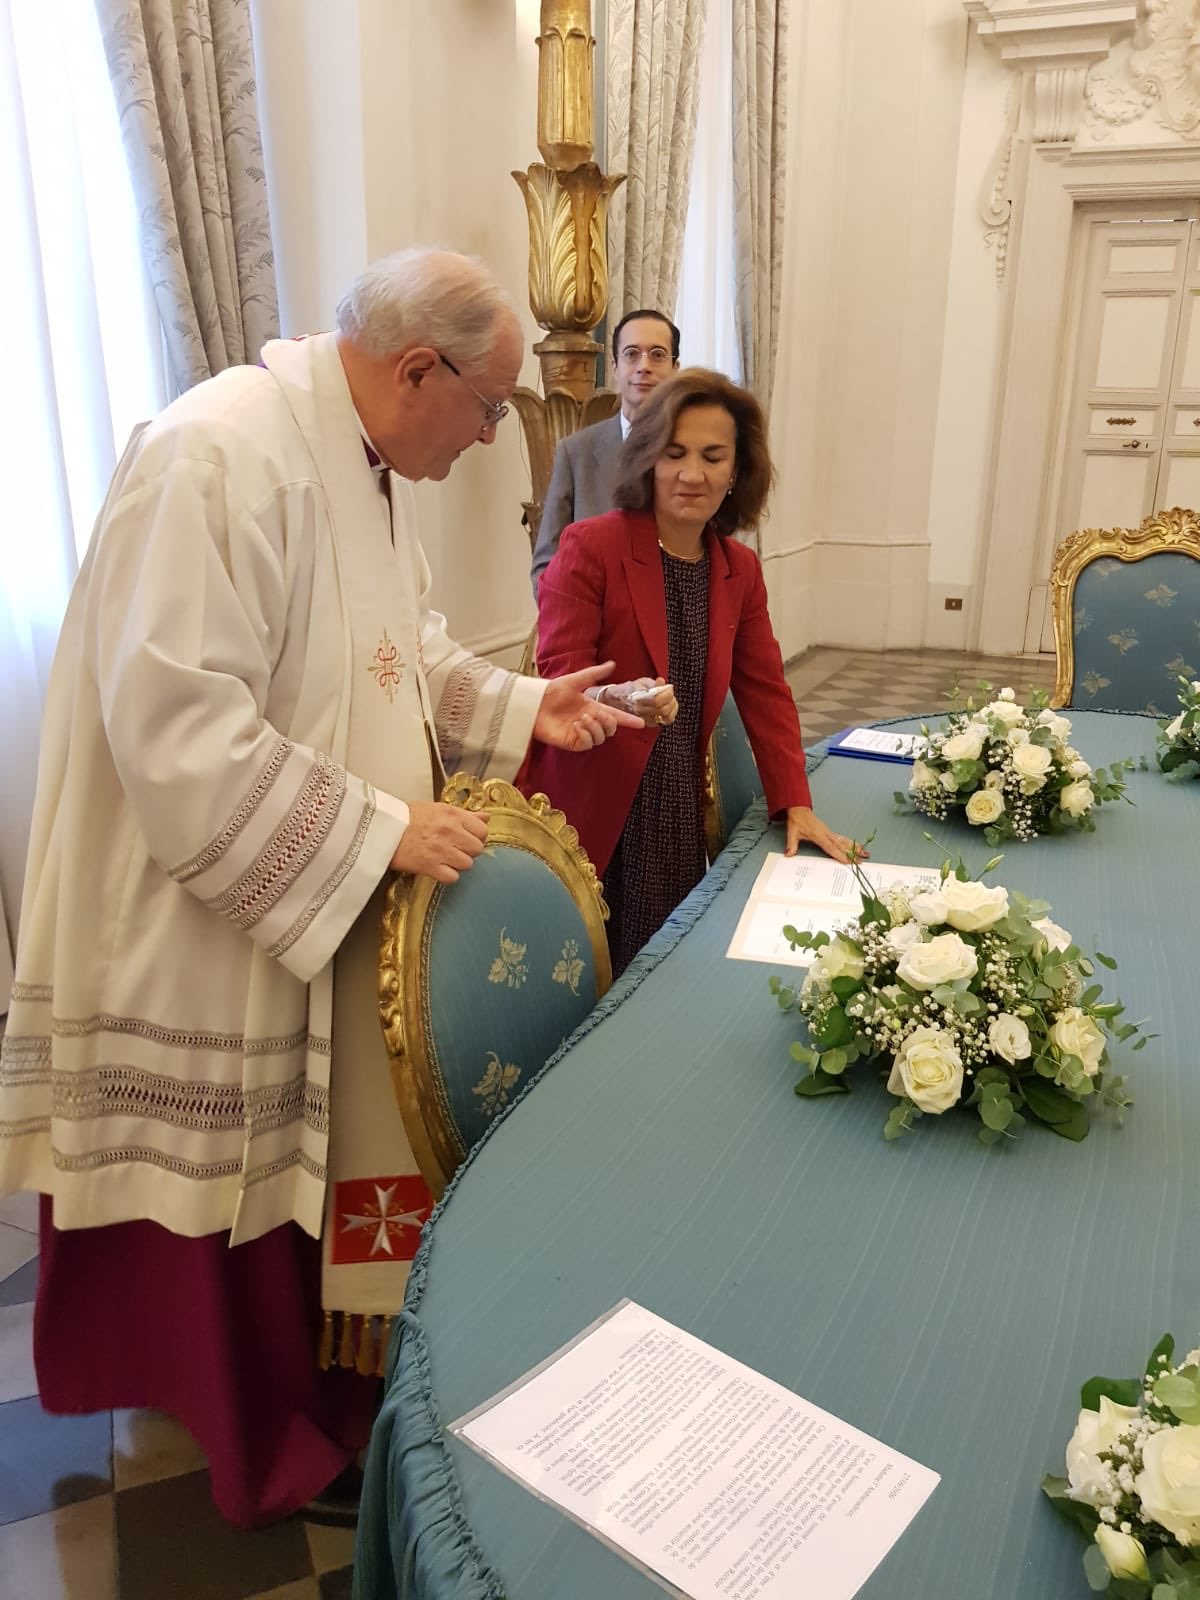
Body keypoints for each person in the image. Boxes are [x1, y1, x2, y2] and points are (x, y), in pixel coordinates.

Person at [0, 248, 642, 1527]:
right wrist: (375, 829)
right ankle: (238, 1415)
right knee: (216, 1185)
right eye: (489, 407)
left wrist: (524, 702)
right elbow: (174, 722)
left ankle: (312, 1390)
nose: (490, 438)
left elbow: (398, 656)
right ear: (418, 370)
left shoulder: (350, 452)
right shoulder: (219, 455)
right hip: (189, 920)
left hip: (301, 899)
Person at [521, 368, 860, 977]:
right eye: (673, 453)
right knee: (586, 985)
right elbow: (561, 678)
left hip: (676, 806)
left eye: (712, 456)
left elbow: (767, 694)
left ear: (736, 472)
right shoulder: (590, 545)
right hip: (594, 804)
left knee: (660, 977)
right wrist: (617, 698)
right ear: (647, 458)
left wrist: (794, 801)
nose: (691, 473)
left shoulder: (738, 569)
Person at [529, 308, 680, 593]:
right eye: (631, 354)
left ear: (676, 367)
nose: (643, 366)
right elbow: (546, 566)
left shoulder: (695, 452)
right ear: (614, 366)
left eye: (658, 355)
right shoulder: (576, 453)